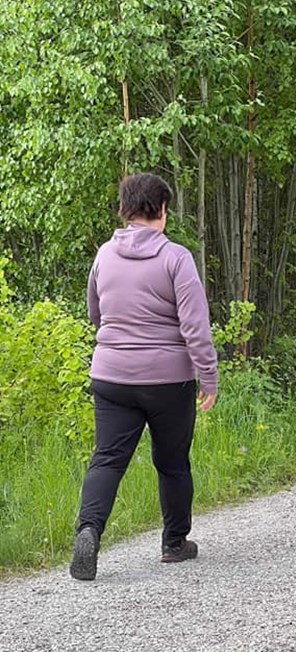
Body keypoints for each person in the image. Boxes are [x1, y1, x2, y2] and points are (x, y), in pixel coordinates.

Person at [70, 172, 218, 581]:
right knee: (172, 462)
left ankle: (88, 531)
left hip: (112, 375)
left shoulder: (104, 255)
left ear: (125, 210)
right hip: (168, 380)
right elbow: (195, 328)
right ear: (163, 211)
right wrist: (208, 377)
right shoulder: (176, 258)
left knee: (107, 459)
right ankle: (174, 543)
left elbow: (96, 313)